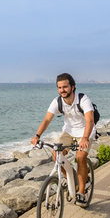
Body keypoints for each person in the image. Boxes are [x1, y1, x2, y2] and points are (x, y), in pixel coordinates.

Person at [31, 73, 96, 207]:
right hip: (68, 131)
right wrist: (37, 135)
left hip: (85, 131)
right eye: (59, 87)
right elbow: (47, 119)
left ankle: (82, 192)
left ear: (73, 87)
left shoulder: (83, 99)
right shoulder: (57, 102)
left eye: (65, 87)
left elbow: (90, 119)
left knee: (80, 157)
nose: (62, 90)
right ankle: (70, 178)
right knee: (56, 156)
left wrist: (85, 138)